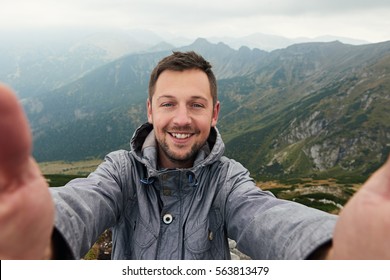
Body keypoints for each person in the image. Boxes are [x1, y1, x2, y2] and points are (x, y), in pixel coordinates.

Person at [0, 51, 389, 260]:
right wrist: (40, 237)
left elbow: (266, 217)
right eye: (169, 104)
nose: (182, 119)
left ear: (214, 112)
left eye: (196, 105)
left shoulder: (228, 180)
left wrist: (332, 251)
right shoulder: (119, 172)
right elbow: (83, 201)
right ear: (150, 111)